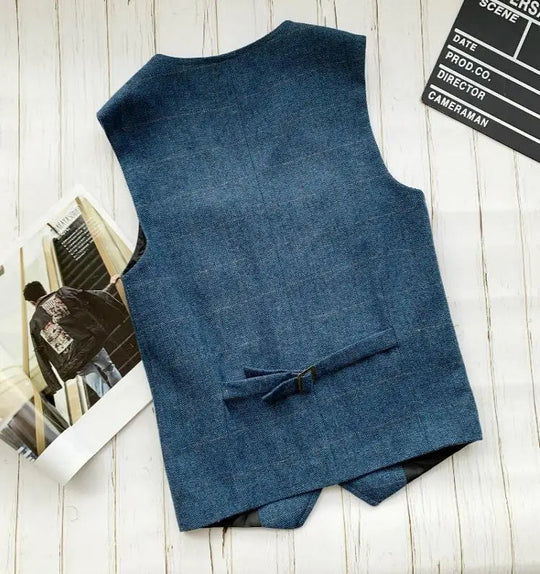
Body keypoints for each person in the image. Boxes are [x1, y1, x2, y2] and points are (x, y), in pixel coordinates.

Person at [23, 275, 125, 405]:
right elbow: (91, 296)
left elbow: (40, 354)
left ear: (32, 302)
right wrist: (111, 285)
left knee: (99, 386)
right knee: (109, 368)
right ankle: (125, 392)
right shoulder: (63, 293)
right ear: (44, 290)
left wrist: (53, 383)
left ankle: (117, 406)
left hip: (73, 361)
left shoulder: (34, 324)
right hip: (90, 343)